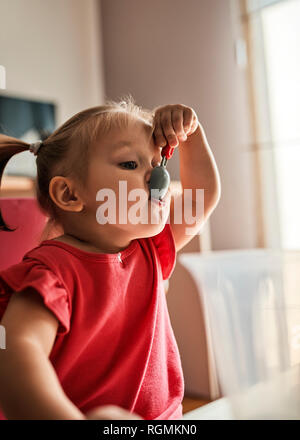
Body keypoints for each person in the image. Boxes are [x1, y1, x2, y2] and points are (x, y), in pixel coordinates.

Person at [0, 96, 220, 420]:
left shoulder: (151, 248)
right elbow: (14, 353)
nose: (157, 178)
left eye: (156, 164)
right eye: (130, 164)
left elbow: (203, 196)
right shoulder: (52, 273)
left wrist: (190, 133)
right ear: (70, 194)